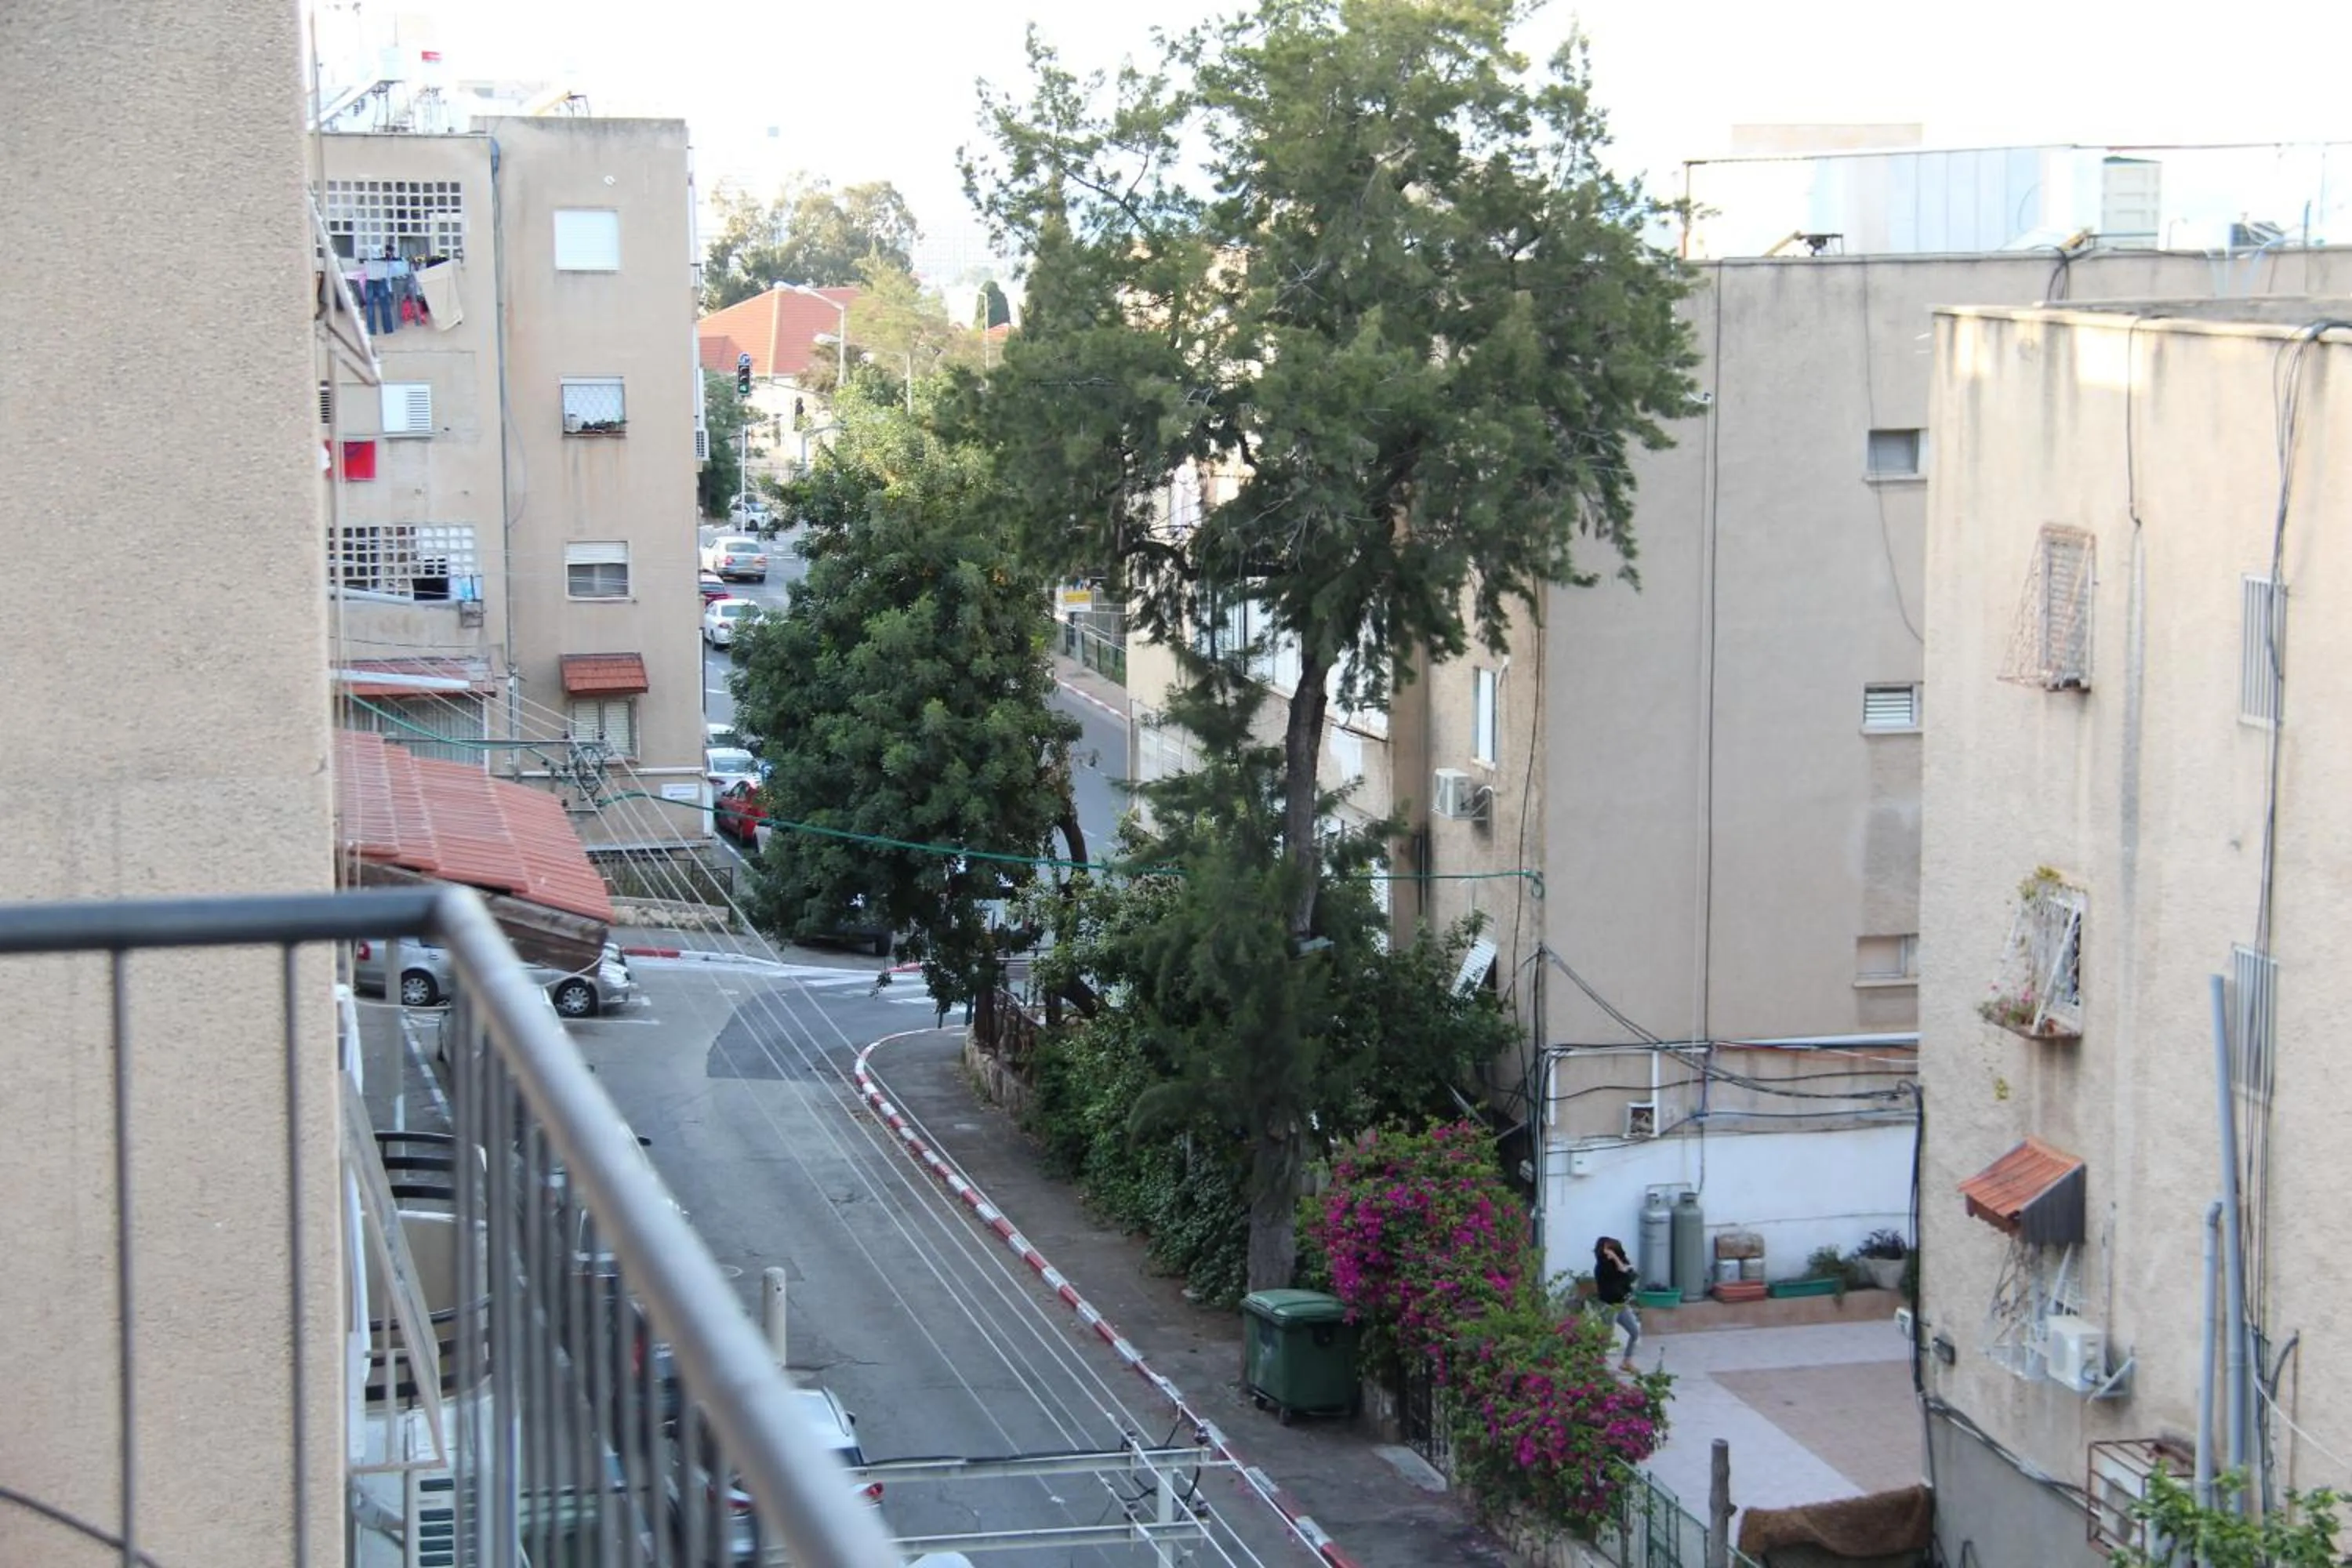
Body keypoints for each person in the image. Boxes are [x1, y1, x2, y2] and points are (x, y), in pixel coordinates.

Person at [1593, 1236, 1642, 1374]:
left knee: (1634, 1332)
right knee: (1607, 1337)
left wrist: (1616, 1259)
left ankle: (1627, 1361)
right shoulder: (1602, 1267)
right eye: (1607, 1249)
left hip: (1621, 1305)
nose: (1609, 1252)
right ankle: (1598, 1366)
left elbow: (1629, 1275)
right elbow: (1622, 1272)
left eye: (1611, 1249)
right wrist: (1615, 1259)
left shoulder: (1619, 1264)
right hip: (1608, 1306)